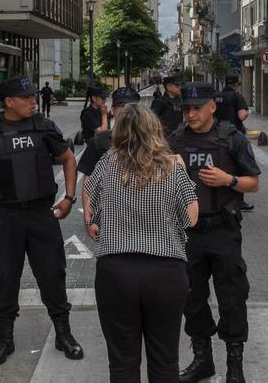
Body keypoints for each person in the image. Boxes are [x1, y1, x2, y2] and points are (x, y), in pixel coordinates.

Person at [0, 76, 83, 367]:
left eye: (34, 96)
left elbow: (69, 159)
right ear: (8, 102)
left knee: (52, 275)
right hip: (4, 217)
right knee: (6, 278)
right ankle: (5, 338)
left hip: (41, 214)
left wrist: (70, 197)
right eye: (27, 97)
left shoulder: (43, 126)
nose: (34, 101)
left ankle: (63, 333)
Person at [84, 104, 199, 383]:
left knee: (122, 362)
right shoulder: (173, 166)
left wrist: (96, 221)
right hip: (166, 272)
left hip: (116, 272)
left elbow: (89, 206)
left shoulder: (107, 164)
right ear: (154, 129)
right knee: (164, 360)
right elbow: (191, 218)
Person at [168, 82, 260, 383]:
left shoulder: (230, 138)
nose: (191, 114)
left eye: (197, 107)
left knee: (232, 298)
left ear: (212, 107)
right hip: (188, 233)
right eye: (187, 108)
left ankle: (235, 367)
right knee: (191, 298)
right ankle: (202, 361)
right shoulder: (176, 140)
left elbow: (253, 182)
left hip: (223, 231)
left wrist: (228, 180)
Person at [77, 87, 142, 180]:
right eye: (102, 98)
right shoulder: (88, 114)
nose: (104, 101)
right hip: (97, 147)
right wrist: (104, 115)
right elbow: (102, 132)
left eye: (105, 98)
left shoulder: (145, 137)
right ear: (94, 99)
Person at [214, 75, 254, 211]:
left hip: (216, 134)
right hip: (233, 136)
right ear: (236, 84)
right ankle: (239, 200)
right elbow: (241, 115)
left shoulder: (216, 96)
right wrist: (246, 112)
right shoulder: (237, 97)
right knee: (237, 169)